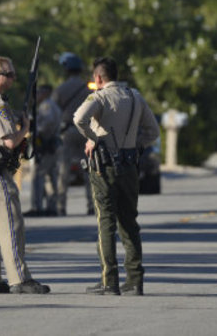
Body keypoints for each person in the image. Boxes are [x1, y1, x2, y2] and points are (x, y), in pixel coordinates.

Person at [73, 57, 160, 296]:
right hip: (130, 167)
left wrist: (93, 138)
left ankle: (109, 280)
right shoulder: (135, 96)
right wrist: (134, 145)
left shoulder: (99, 97)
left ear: (98, 78)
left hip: (104, 167)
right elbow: (153, 131)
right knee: (130, 224)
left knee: (106, 223)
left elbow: (78, 118)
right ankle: (135, 279)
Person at [0, 56, 50, 294]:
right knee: (11, 222)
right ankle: (19, 279)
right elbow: (9, 142)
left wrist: (18, 116)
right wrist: (25, 129)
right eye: (10, 74)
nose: (14, 78)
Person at [52, 52, 94, 216]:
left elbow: (55, 111)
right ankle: (91, 205)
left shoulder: (61, 89)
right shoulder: (87, 89)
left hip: (67, 130)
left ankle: (61, 205)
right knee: (89, 170)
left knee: (63, 170)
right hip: (86, 131)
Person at [24, 84, 62, 217]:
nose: (37, 95)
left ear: (45, 93)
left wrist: (36, 131)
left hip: (45, 144)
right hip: (52, 144)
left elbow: (47, 123)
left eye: (39, 92)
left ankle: (37, 207)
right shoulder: (52, 105)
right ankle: (52, 206)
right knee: (51, 176)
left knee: (38, 176)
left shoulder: (46, 106)